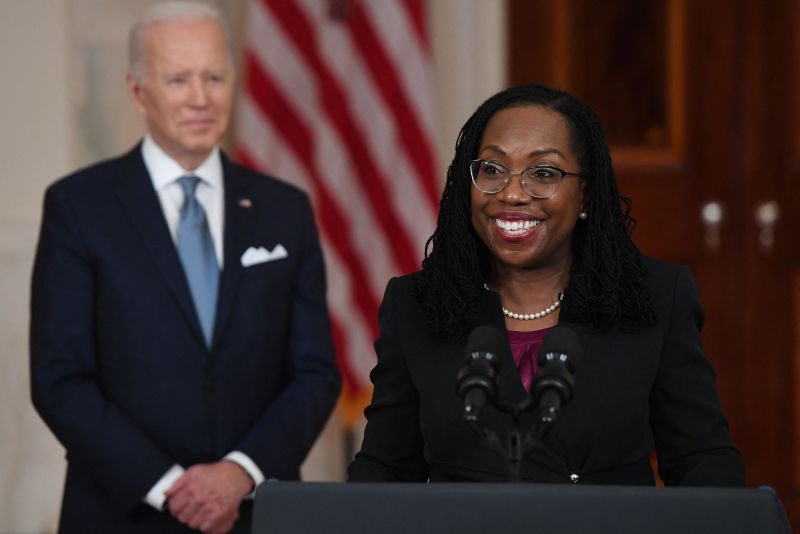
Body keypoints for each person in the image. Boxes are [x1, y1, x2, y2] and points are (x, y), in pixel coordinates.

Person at [30, 2, 340, 533]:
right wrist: (172, 487)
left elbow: (314, 373)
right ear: (137, 92)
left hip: (256, 513)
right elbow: (60, 381)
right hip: (122, 511)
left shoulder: (284, 209)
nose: (200, 98)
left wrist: (237, 474)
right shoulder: (78, 208)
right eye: (177, 79)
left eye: (214, 77)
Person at [348, 83, 745, 486]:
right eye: (492, 169)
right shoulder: (417, 304)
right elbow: (387, 469)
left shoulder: (656, 297)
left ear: (585, 195)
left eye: (543, 173)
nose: (513, 193)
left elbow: (703, 462)